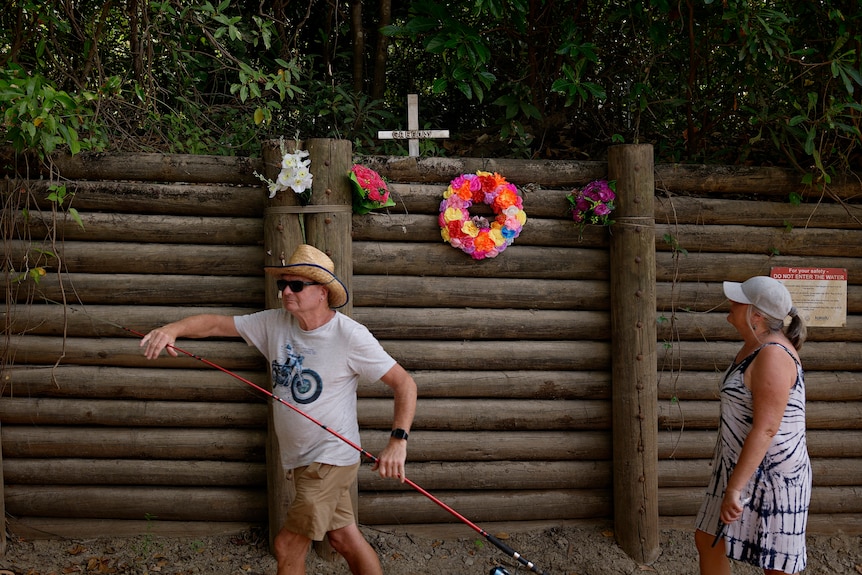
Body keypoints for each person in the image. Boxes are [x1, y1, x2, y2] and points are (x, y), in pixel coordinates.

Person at [141, 244, 418, 575]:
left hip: (330, 459)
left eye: (296, 285)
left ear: (323, 292)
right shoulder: (274, 322)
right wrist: (174, 329)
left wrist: (397, 441)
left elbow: (405, 384)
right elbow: (216, 324)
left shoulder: (350, 335)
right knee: (344, 538)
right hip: (302, 460)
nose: (286, 291)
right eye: (283, 284)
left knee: (287, 545)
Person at [694, 276, 811, 575]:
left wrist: (735, 487)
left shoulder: (773, 354)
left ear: (756, 316)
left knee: (776, 565)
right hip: (738, 468)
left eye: (737, 301)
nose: (729, 306)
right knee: (708, 538)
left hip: (773, 476)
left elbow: (767, 429)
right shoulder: (754, 346)